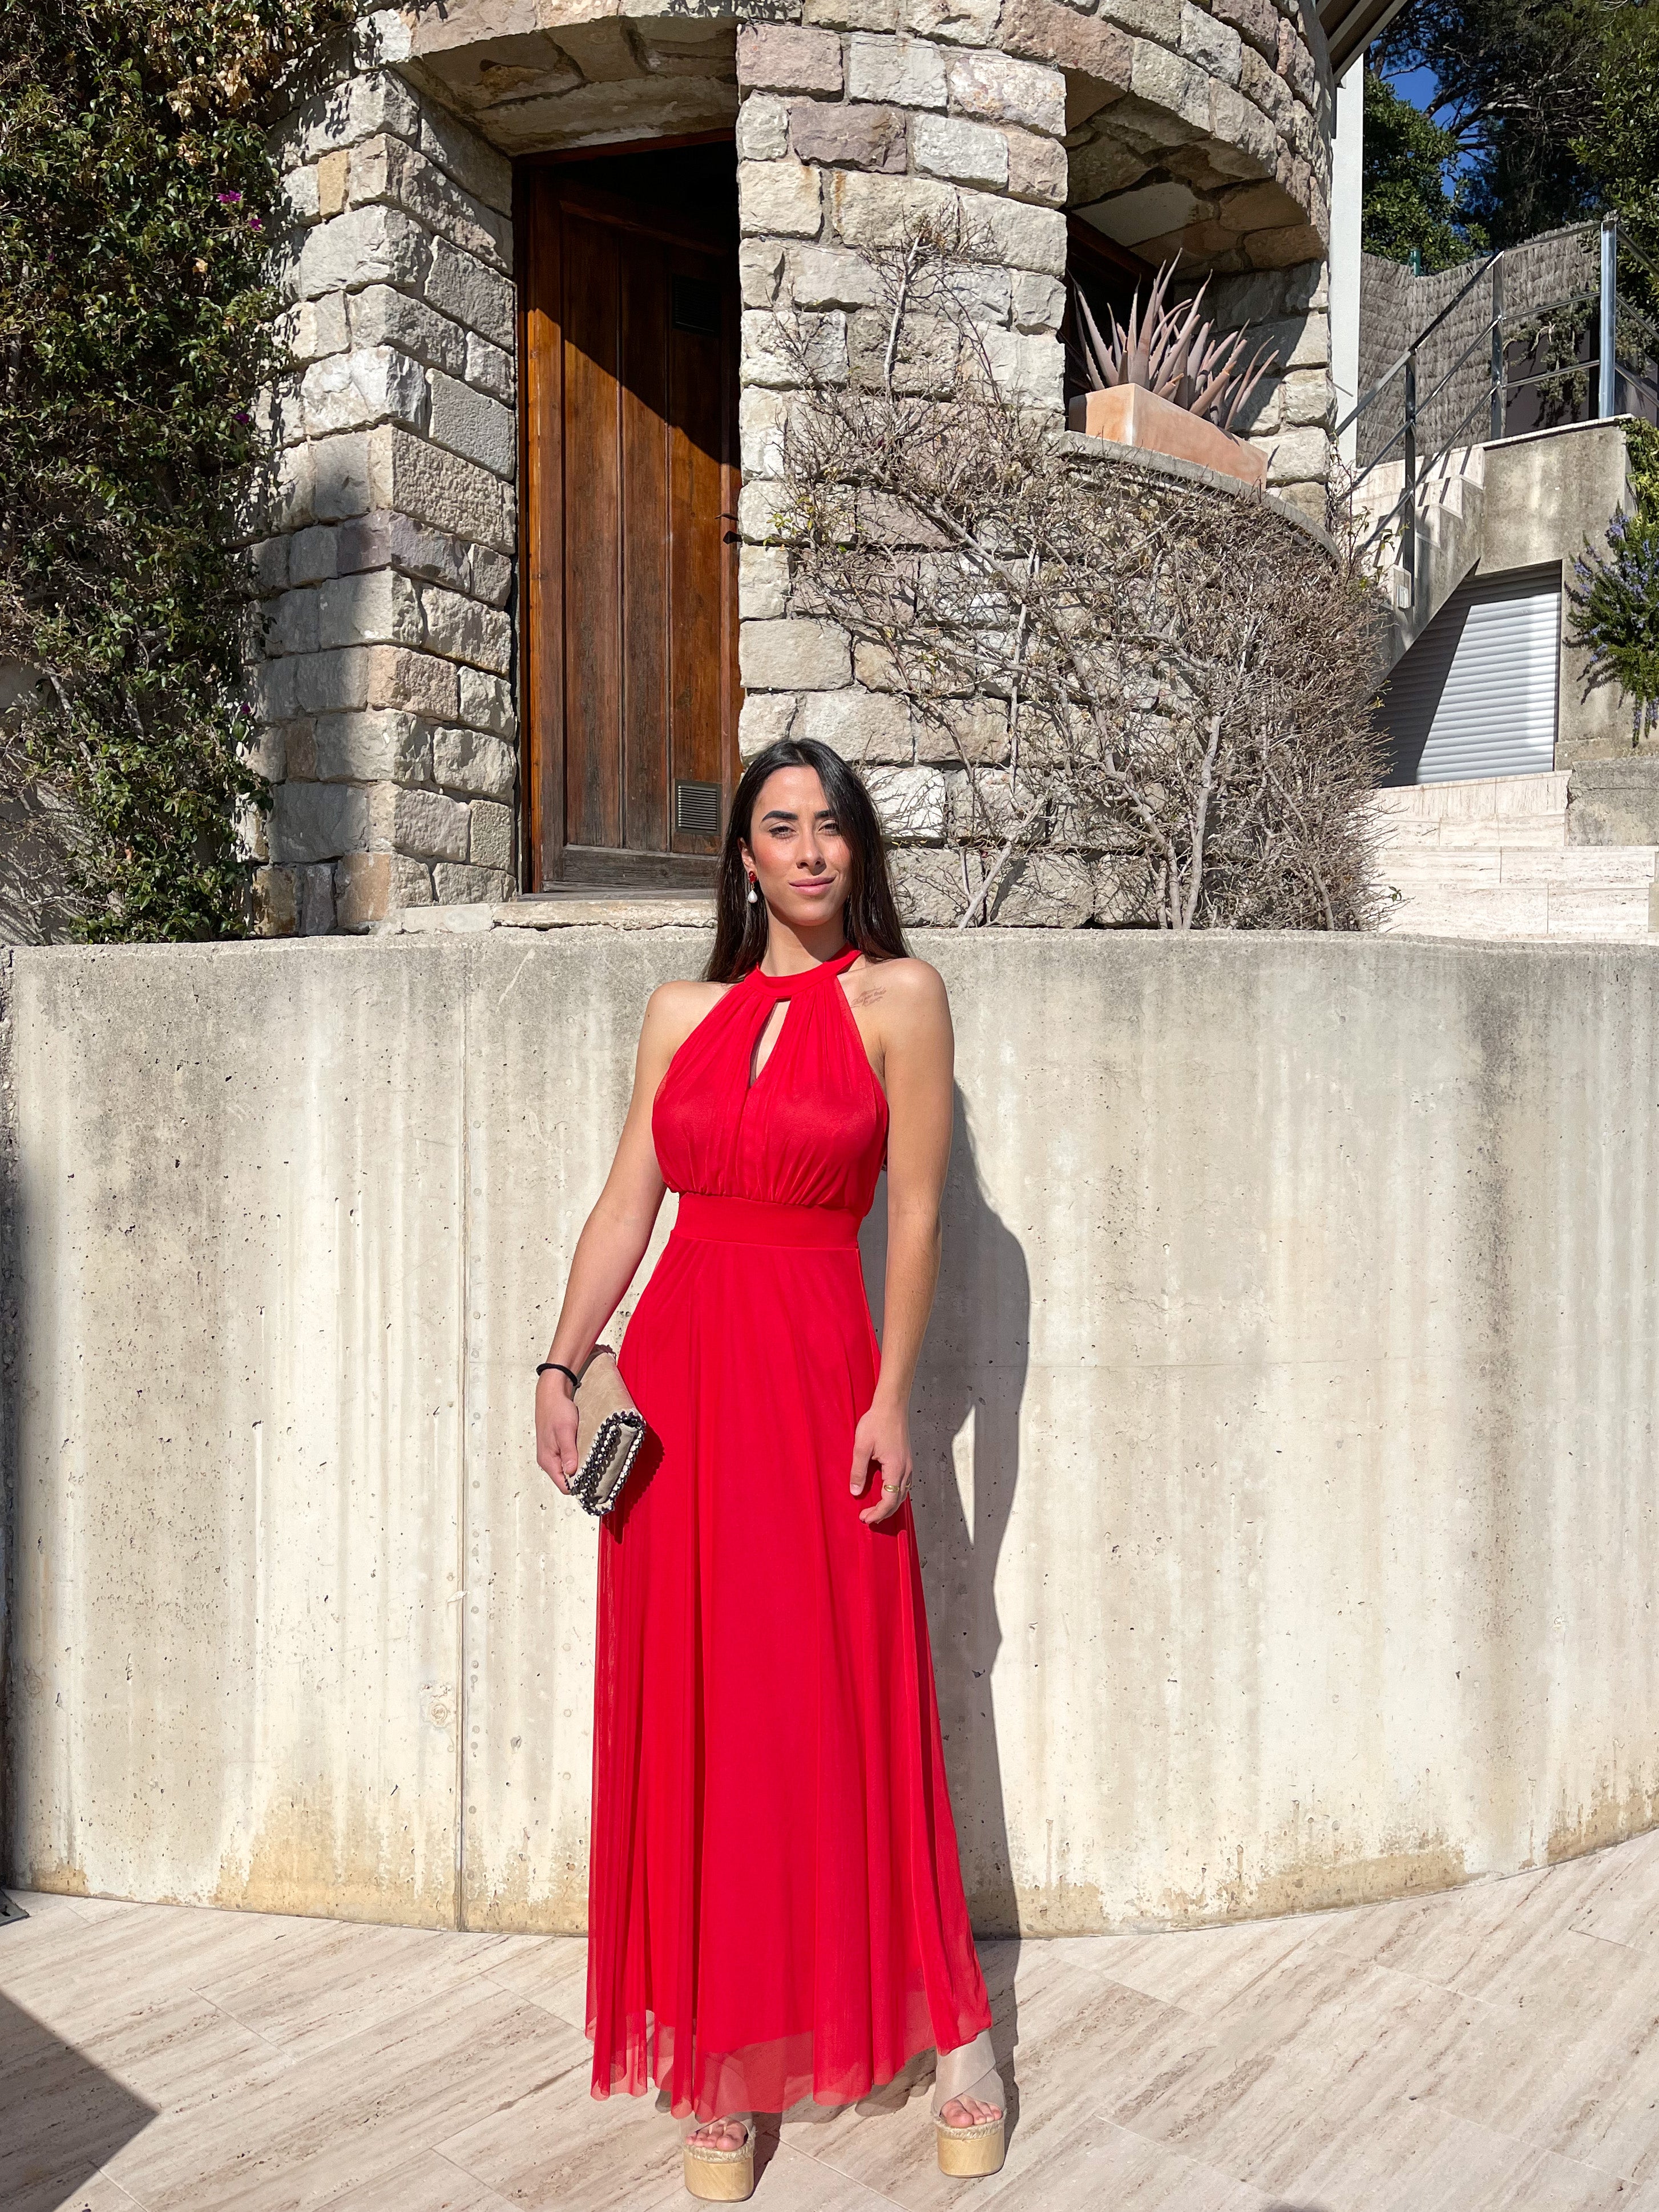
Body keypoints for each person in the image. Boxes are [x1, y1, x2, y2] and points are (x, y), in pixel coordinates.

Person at [535, 737, 1006, 2201]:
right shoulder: (679, 1011)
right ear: (741, 858)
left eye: (829, 826)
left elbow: (915, 1218)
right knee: (701, 1717)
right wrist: (559, 1363)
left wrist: (890, 1400)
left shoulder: (900, 998)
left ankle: (962, 2042)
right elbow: (627, 1203)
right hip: (679, 1395)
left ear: (857, 849)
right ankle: (722, 2064)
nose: (808, 850)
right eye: (779, 827)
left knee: (849, 1703)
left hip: (816, 1382)